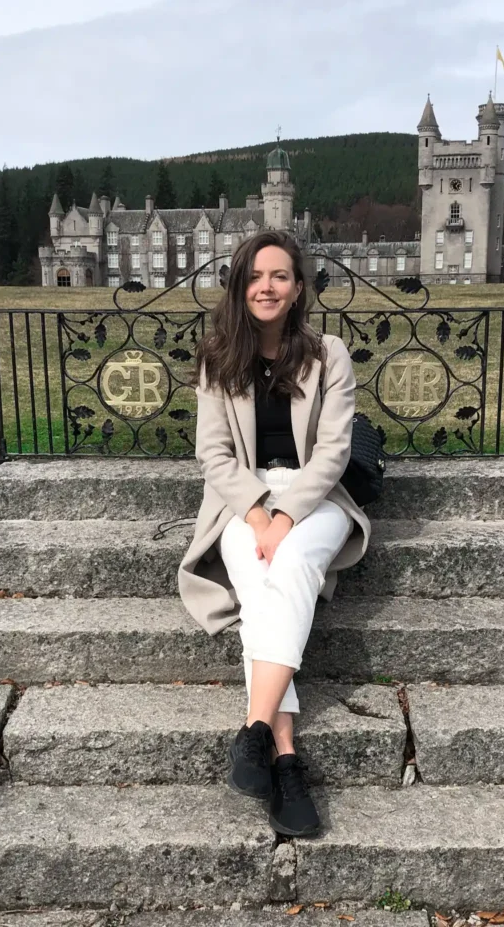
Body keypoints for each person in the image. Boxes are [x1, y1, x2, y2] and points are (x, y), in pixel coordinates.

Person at [178, 230, 371, 837]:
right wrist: (259, 514)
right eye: (256, 276)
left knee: (287, 567)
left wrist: (287, 516)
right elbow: (215, 455)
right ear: (240, 286)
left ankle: (254, 730)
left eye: (280, 276)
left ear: (297, 288)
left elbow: (334, 451)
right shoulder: (217, 355)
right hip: (241, 499)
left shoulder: (328, 353)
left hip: (316, 498)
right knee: (265, 584)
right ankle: (284, 757)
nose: (267, 286)